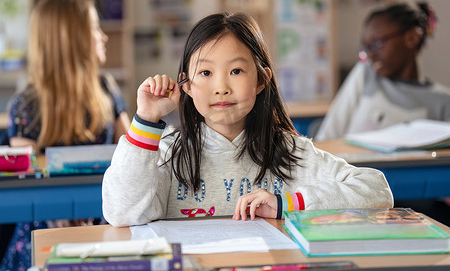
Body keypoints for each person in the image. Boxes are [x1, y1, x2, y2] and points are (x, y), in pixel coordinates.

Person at [102, 12, 393, 227]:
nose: (221, 87)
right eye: (206, 73)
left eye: (237, 71)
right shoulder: (167, 152)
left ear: (261, 80)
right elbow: (122, 213)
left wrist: (287, 204)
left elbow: (377, 190)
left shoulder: (290, 151)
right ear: (186, 87)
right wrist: (145, 122)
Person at [1, 0, 130, 270]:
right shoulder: (27, 104)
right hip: (46, 228)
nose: (103, 36)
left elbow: (134, 155)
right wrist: (56, 210)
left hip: (104, 215)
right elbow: (26, 180)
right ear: (72, 39)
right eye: (95, 27)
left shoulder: (107, 88)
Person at [316, 0, 450, 141]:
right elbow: (327, 136)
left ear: (412, 38)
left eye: (377, 44)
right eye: (366, 48)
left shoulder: (443, 101)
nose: (371, 55)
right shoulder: (366, 75)